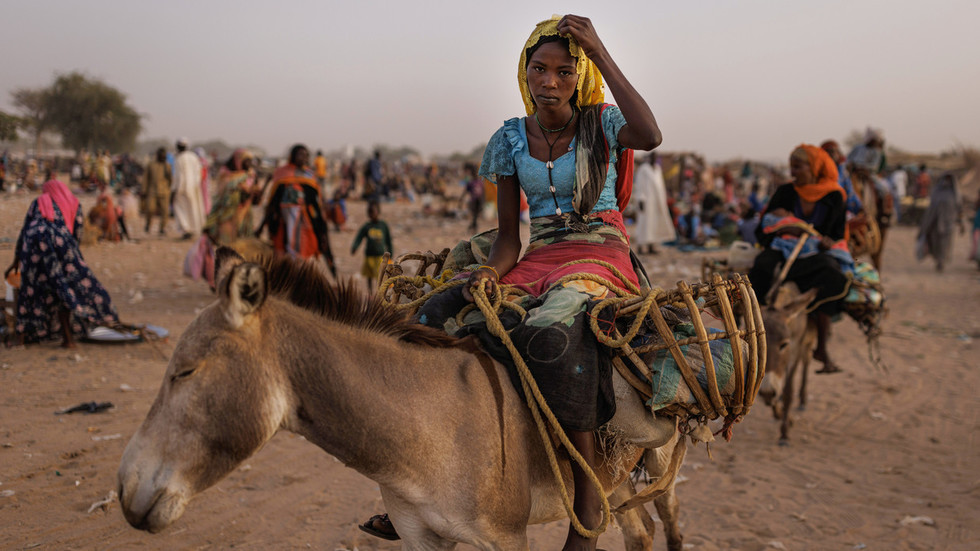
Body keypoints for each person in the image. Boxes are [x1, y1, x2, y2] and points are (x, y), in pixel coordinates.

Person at [359, 15, 661, 550]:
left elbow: (652, 134)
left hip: (598, 251)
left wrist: (598, 48)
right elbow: (507, 240)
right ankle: (419, 481)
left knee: (552, 333)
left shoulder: (604, 123)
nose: (549, 82)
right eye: (538, 69)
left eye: (565, 72)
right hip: (540, 255)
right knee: (432, 319)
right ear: (524, 73)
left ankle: (587, 503)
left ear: (579, 77)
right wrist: (484, 276)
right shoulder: (509, 139)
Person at [749, 144, 849, 374]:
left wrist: (827, 241)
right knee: (762, 266)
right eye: (791, 167)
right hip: (783, 251)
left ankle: (821, 346)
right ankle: (755, 330)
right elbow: (763, 229)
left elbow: (837, 234)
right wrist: (784, 230)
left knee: (833, 274)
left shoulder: (834, 196)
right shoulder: (785, 192)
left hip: (813, 254)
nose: (792, 172)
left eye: (798, 167)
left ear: (814, 168)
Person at [4, 178, 118, 347]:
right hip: (61, 244)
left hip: (34, 244)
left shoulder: (40, 201)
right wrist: (72, 258)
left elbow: (25, 229)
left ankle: (20, 338)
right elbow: (77, 232)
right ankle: (68, 338)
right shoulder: (73, 202)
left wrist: (16, 261)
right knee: (63, 288)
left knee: (30, 289)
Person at [257, 144, 336, 277]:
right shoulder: (282, 173)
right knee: (283, 248)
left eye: (306, 155)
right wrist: (264, 223)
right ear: (293, 156)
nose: (303, 158)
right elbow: (274, 200)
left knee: (303, 248)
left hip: (304, 218)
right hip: (284, 218)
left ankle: (298, 276)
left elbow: (315, 200)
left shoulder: (310, 175)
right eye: (300, 154)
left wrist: (321, 219)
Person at [186, 149, 262, 287]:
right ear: (238, 161)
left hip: (244, 220)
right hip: (226, 219)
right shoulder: (226, 175)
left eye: (251, 161)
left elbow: (255, 201)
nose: (249, 164)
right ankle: (222, 281)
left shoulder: (250, 176)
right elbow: (224, 194)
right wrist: (243, 183)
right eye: (246, 160)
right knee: (228, 250)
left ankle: (237, 282)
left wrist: (258, 187)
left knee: (243, 250)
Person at [916, 173, 963, 272]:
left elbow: (959, 210)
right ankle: (937, 260)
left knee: (945, 244)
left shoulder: (955, 194)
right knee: (936, 243)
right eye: (946, 179)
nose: (947, 181)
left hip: (948, 224)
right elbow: (931, 208)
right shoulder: (937, 192)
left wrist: (961, 223)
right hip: (935, 223)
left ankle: (941, 261)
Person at [630, 152, 675, 253]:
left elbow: (661, 185)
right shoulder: (643, 169)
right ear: (649, 157)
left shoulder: (657, 169)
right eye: (652, 157)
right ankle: (641, 247)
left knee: (653, 224)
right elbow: (640, 185)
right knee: (643, 223)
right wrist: (640, 199)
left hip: (656, 201)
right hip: (646, 201)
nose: (654, 159)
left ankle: (651, 246)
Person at [350, 200, 393, 294]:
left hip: (380, 256)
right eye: (370, 212)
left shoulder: (383, 225)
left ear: (378, 211)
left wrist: (391, 252)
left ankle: (381, 294)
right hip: (369, 256)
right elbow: (359, 237)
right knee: (369, 276)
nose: (372, 214)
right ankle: (370, 293)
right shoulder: (367, 226)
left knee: (381, 276)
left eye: (373, 212)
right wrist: (355, 247)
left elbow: (388, 241)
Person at [172, 138, 205, 240]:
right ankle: (194, 229)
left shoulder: (179, 158)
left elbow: (179, 176)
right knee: (193, 208)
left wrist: (176, 189)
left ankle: (186, 229)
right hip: (194, 187)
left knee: (180, 207)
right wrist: (196, 184)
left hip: (182, 187)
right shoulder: (193, 156)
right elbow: (199, 172)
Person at [142, 147, 172, 235]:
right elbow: (145, 178)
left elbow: (170, 179)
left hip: (164, 192)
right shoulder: (151, 165)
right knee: (150, 209)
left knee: (165, 212)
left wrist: (169, 189)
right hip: (152, 191)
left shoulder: (167, 166)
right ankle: (148, 224)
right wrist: (144, 190)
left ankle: (162, 228)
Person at [460, 162, 485, 233]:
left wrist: (484, 201)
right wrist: (461, 200)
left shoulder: (480, 181)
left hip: (479, 201)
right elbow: (465, 192)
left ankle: (472, 226)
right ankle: (473, 227)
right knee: (474, 215)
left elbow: (483, 193)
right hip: (473, 201)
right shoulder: (471, 182)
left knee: (476, 215)